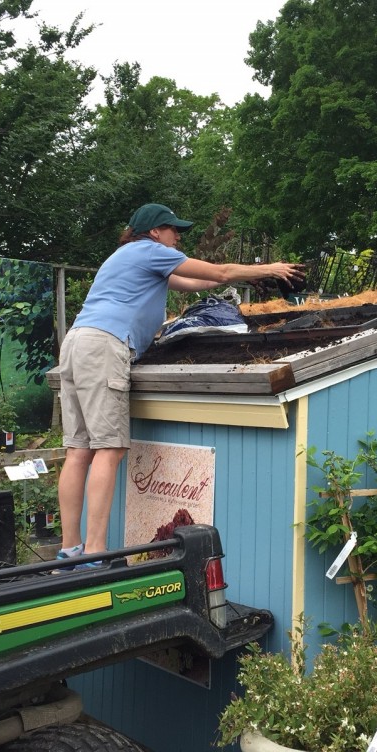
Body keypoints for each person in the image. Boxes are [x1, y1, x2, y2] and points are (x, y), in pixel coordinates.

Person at [55, 203, 304, 569]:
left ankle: (69, 549)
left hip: (77, 344)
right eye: (174, 229)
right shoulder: (150, 251)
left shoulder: (128, 257)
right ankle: (94, 552)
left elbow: (203, 281)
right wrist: (271, 268)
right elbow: (217, 270)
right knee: (109, 449)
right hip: (105, 347)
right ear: (155, 232)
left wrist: (243, 278)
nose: (179, 236)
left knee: (78, 451)